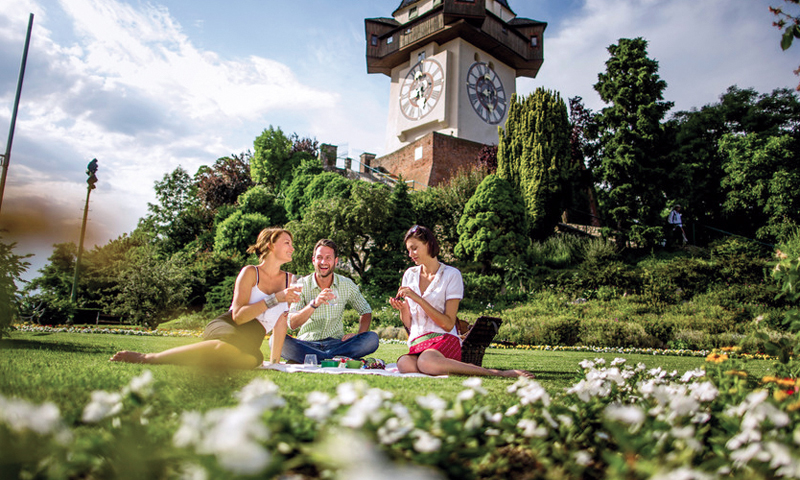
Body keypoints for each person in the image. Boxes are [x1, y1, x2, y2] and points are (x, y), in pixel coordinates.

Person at [110, 227, 300, 369]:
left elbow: (280, 322)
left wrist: (276, 363)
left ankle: (204, 359)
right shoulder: (250, 273)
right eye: (287, 243)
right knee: (225, 348)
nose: (292, 248)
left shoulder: (290, 279)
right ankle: (147, 358)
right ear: (270, 246)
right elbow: (238, 317)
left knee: (252, 361)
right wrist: (275, 298)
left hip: (253, 336)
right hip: (231, 326)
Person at [389, 225, 534, 378]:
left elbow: (448, 324)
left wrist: (418, 299)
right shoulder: (409, 275)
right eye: (409, 250)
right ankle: (443, 366)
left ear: (428, 244)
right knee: (404, 364)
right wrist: (403, 309)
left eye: (414, 248)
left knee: (426, 362)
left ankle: (496, 373)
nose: (411, 254)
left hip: (443, 338)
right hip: (418, 341)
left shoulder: (451, 275)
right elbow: (409, 324)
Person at [281, 239, 379, 363]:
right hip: (307, 343)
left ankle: (313, 359)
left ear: (335, 261)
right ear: (313, 260)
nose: (323, 262)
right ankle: (334, 359)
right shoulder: (301, 285)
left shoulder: (346, 284)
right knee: (277, 340)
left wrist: (358, 334)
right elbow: (292, 323)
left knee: (371, 339)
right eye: (319, 257)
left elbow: (365, 310)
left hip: (337, 343)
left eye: (328, 258)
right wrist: (314, 303)